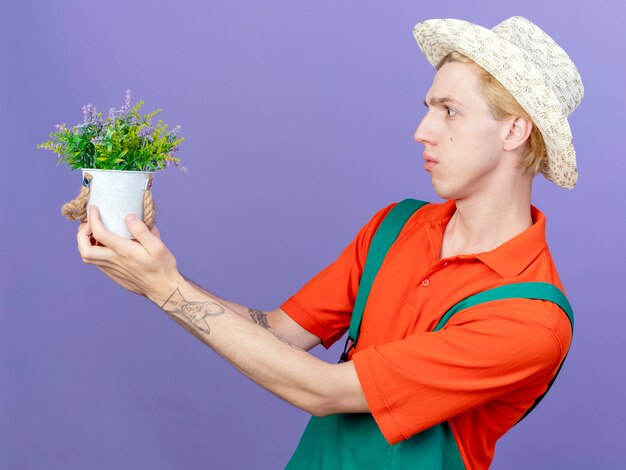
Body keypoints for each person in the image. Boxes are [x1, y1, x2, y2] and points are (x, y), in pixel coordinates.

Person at [76, 15, 583, 470]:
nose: (421, 130)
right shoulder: (397, 226)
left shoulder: (530, 318)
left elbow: (325, 392)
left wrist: (166, 288)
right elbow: (275, 333)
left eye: (449, 111)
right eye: (428, 107)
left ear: (514, 130)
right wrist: (146, 271)